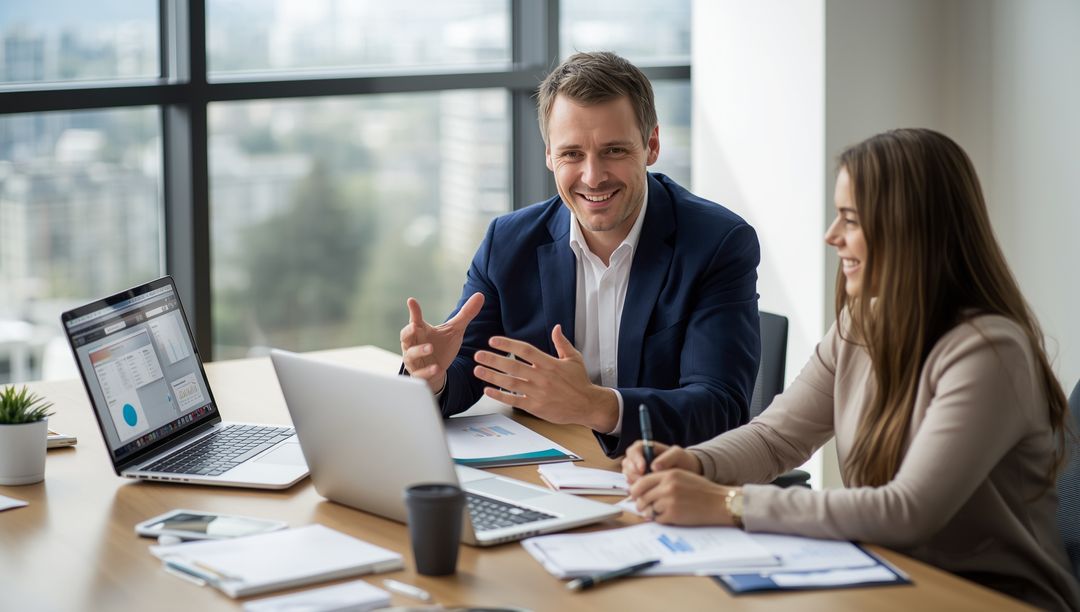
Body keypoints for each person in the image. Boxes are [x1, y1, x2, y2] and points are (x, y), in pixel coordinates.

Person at [622, 128, 1080, 610]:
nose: (831, 235)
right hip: (891, 577)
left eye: (850, 219)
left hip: (994, 597)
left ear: (910, 229)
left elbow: (906, 510)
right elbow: (775, 438)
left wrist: (727, 503)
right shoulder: (861, 324)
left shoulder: (990, 351)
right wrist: (694, 464)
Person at [399, 51, 761, 457]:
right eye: (572, 154)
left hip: (669, 475)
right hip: (549, 472)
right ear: (549, 155)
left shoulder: (716, 243)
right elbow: (470, 367)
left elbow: (721, 407)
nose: (593, 176)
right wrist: (434, 377)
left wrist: (595, 406)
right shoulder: (508, 242)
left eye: (614, 151)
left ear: (652, 145)